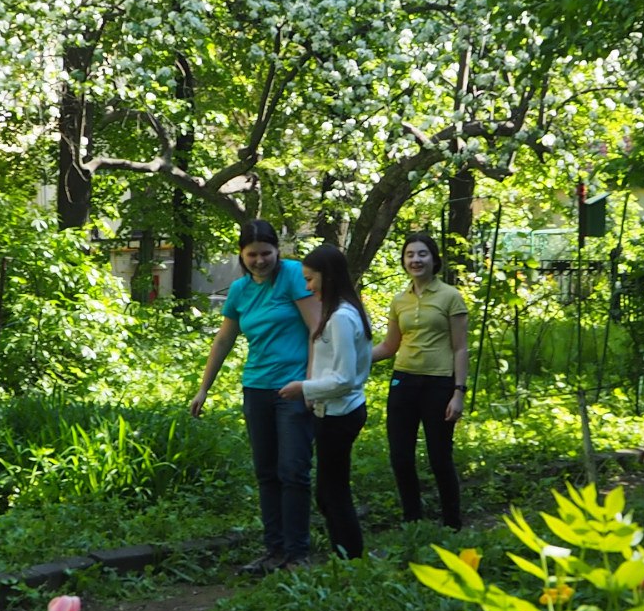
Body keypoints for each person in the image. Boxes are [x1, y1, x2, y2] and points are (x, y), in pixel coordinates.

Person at [191, 219, 320, 573]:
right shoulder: (239, 291)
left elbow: (316, 328)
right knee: (266, 472)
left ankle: (298, 553)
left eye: (266, 253)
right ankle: (273, 550)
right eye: (252, 254)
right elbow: (224, 340)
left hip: (293, 388)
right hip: (257, 388)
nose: (260, 260)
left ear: (278, 251)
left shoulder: (295, 275)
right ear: (241, 254)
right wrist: (204, 388)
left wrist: (311, 383)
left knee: (293, 470)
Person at [371, 232, 469, 529]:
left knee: (440, 458)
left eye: (422, 254)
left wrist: (459, 392)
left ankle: (452, 523)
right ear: (403, 261)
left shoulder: (450, 296)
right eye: (410, 254)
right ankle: (413, 521)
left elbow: (460, 347)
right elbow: (389, 346)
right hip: (404, 382)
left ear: (434, 259)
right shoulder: (399, 300)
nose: (416, 259)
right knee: (400, 457)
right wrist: (350, 359)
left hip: (439, 384)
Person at [280, 244, 372, 560]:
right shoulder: (341, 312)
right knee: (328, 492)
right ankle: (345, 555)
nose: (307, 287)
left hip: (340, 413)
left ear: (328, 276)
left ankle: (351, 559)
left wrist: (304, 388)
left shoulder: (341, 318)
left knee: (333, 493)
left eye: (310, 279)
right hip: (333, 410)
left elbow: (345, 377)